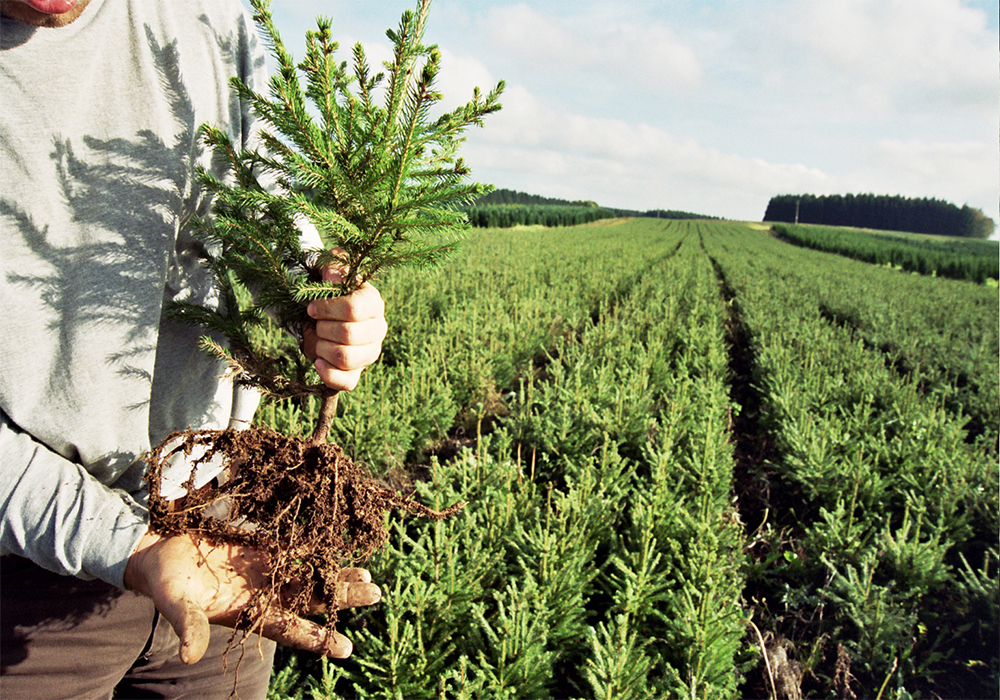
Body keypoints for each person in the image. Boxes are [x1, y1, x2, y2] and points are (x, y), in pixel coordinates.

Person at [0, 0, 389, 697]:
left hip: (227, 545)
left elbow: (263, 202)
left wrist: (317, 294)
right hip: (29, 590)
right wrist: (132, 549)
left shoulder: (210, 19)